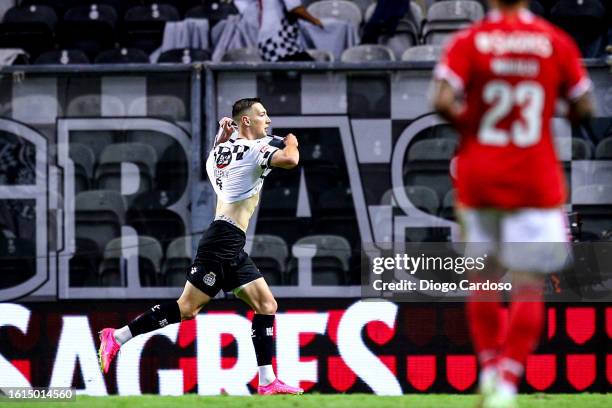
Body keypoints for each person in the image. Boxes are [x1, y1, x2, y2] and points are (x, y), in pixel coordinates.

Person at [431, 1, 594, 407]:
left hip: (480, 174)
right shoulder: (552, 41)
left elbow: (441, 99)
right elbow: (586, 105)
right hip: (534, 178)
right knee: (527, 283)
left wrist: (473, 126)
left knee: (482, 278)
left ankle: (488, 366)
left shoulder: (468, 40)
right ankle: (507, 381)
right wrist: (557, 109)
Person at [98, 98, 303, 395]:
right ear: (245, 121)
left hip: (229, 240)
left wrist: (225, 135)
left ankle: (268, 380)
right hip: (222, 241)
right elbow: (290, 159)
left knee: (266, 305)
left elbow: (222, 148)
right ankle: (117, 336)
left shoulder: (218, 154)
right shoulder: (255, 149)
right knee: (187, 308)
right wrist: (293, 142)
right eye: (262, 114)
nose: (268, 120)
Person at [258, 0, 323, 62]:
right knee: (311, 69)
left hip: (272, 43)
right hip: (278, 44)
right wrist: (315, 21)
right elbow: (295, 8)